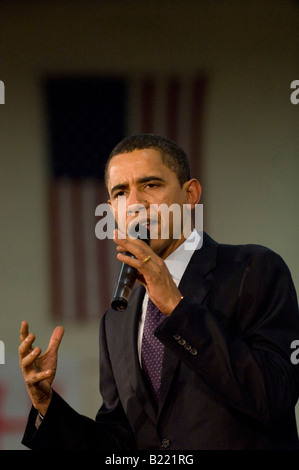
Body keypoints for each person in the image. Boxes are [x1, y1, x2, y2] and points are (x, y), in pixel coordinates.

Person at [19, 134, 299, 450]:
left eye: (151, 185)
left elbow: (275, 396)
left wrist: (178, 310)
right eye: (121, 192)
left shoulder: (253, 270)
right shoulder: (116, 321)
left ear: (190, 194)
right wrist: (47, 406)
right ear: (112, 209)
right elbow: (119, 443)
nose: (136, 203)